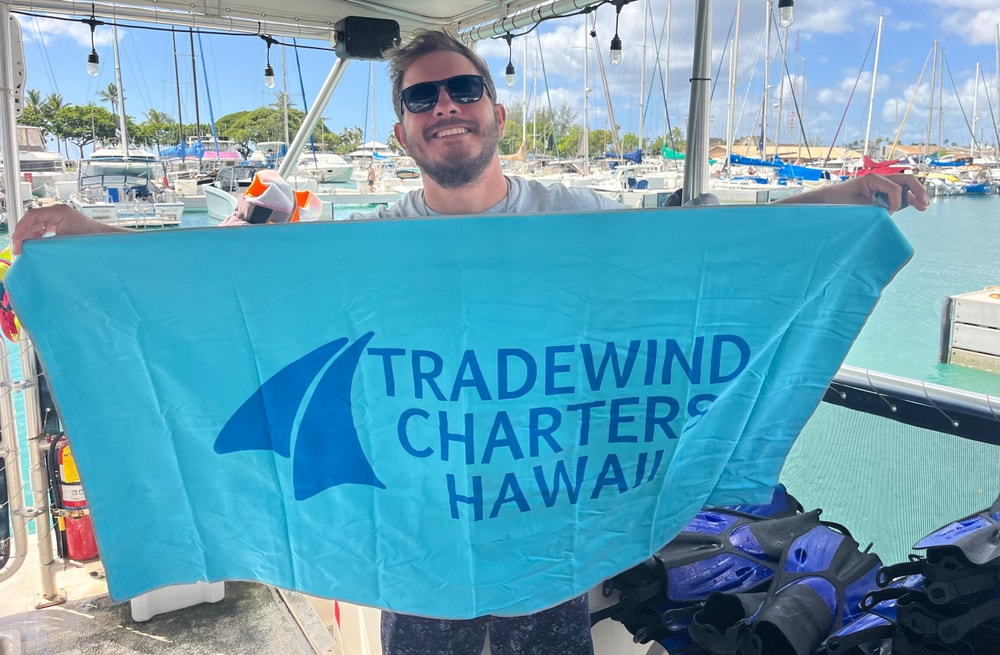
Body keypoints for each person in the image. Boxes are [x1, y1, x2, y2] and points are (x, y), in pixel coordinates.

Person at [11, 29, 929, 655]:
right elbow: (223, 291)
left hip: (552, 520)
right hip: (415, 532)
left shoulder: (574, 214)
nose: (446, 107)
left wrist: (841, 204)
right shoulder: (376, 239)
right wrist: (92, 244)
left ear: (493, 108)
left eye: (464, 89)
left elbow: (712, 259)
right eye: (423, 97)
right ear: (404, 127)